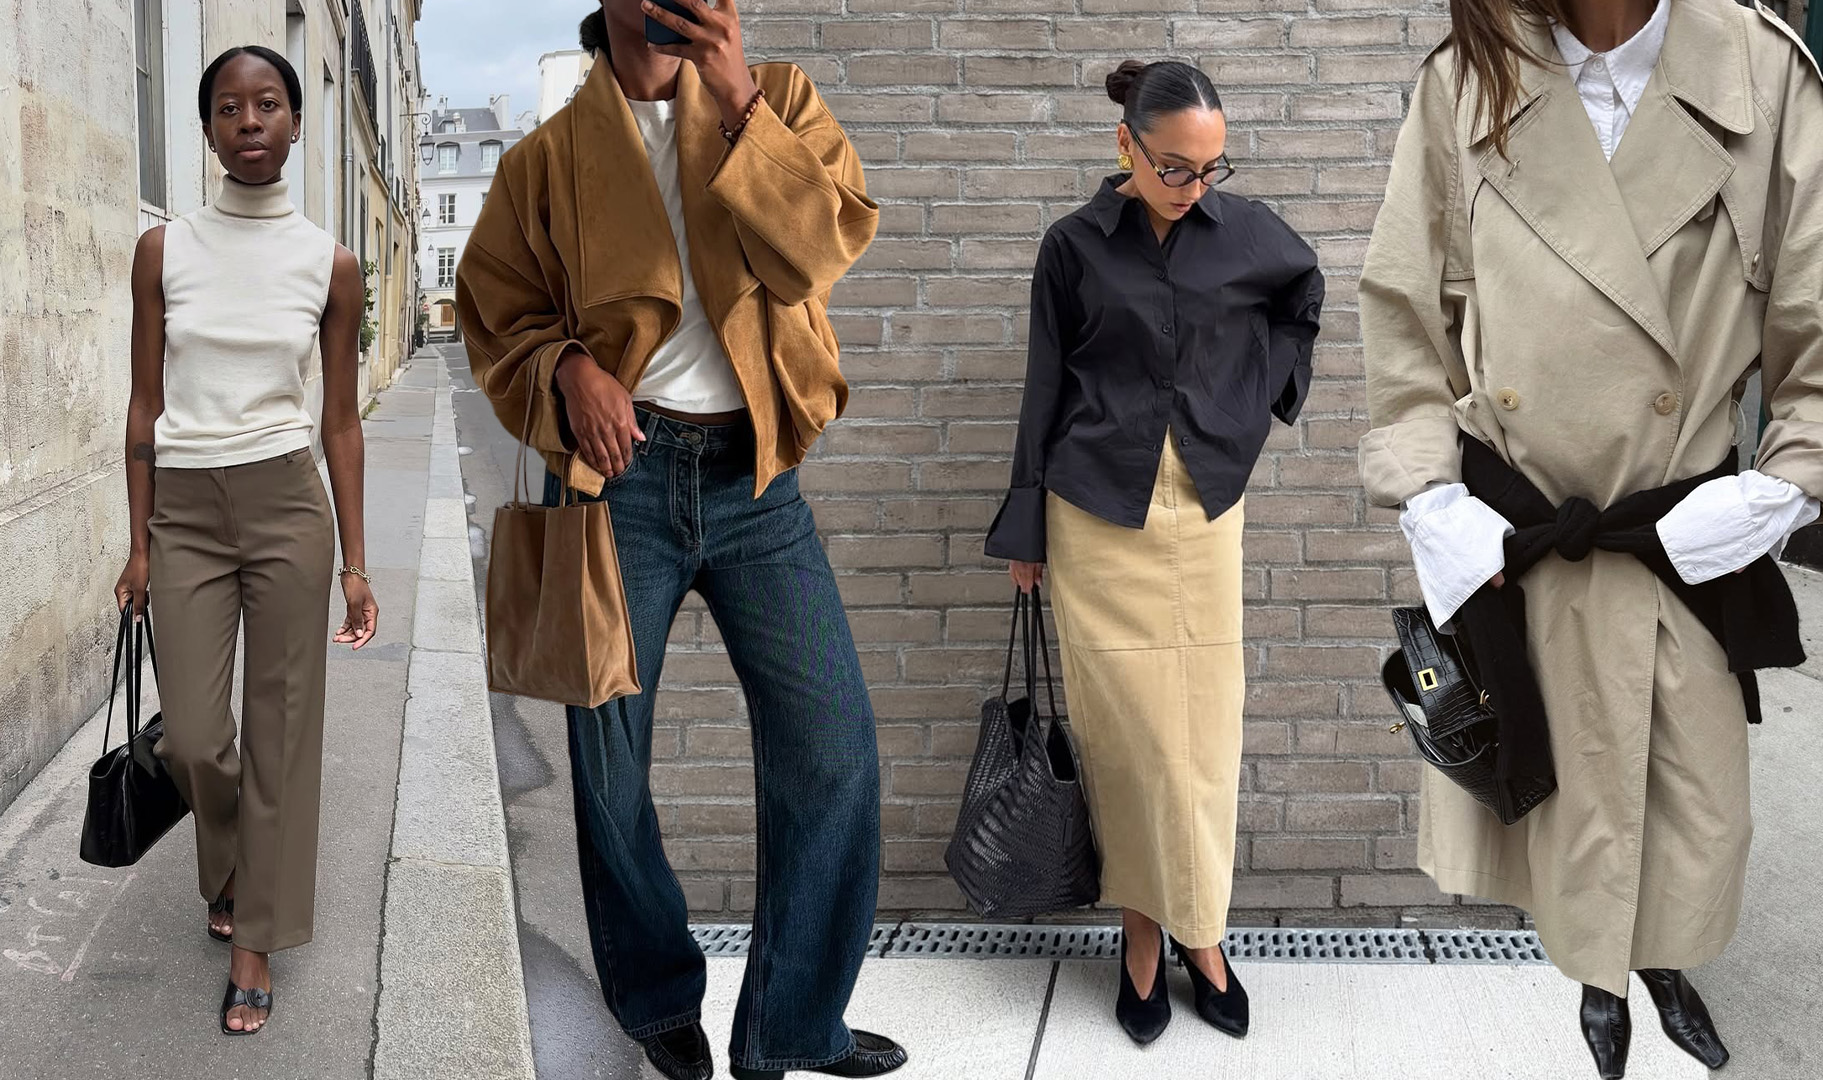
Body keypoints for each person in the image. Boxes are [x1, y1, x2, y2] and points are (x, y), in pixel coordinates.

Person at [1360, 0, 1823, 1075]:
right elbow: (1402, 318)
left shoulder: (1761, 75)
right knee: (1559, 804)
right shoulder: (1467, 78)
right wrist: (1429, 496)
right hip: (1521, 542)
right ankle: (1599, 986)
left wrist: (1773, 496)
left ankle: (1661, 965)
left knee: (1677, 812)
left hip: (1673, 539)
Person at [453, 5, 903, 1080]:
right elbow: (493, 314)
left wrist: (740, 94)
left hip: (755, 477)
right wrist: (568, 369)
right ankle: (658, 998)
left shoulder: (779, 100)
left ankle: (793, 1024)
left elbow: (818, 252)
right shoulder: (547, 158)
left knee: (833, 742)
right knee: (611, 767)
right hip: (619, 483)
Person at [985, 59, 1324, 1046]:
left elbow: (1303, 295)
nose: (1194, 188)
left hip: (1206, 517)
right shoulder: (1073, 248)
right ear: (1124, 145)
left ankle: (1204, 936)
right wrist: (1025, 528)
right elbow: (1044, 384)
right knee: (1130, 745)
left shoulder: (1246, 234)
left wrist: (1250, 403)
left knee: (1204, 743)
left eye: (1211, 170)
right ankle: (1143, 936)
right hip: (1095, 516)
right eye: (1176, 168)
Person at [114, 45, 379, 1036]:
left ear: (298, 123)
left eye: (269, 103)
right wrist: (138, 544)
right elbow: (143, 403)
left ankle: (255, 940)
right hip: (182, 508)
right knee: (192, 736)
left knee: (280, 735)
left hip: (285, 508)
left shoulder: (330, 263)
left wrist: (357, 564)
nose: (251, 120)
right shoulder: (165, 250)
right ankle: (226, 863)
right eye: (229, 107)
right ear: (210, 129)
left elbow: (341, 424)